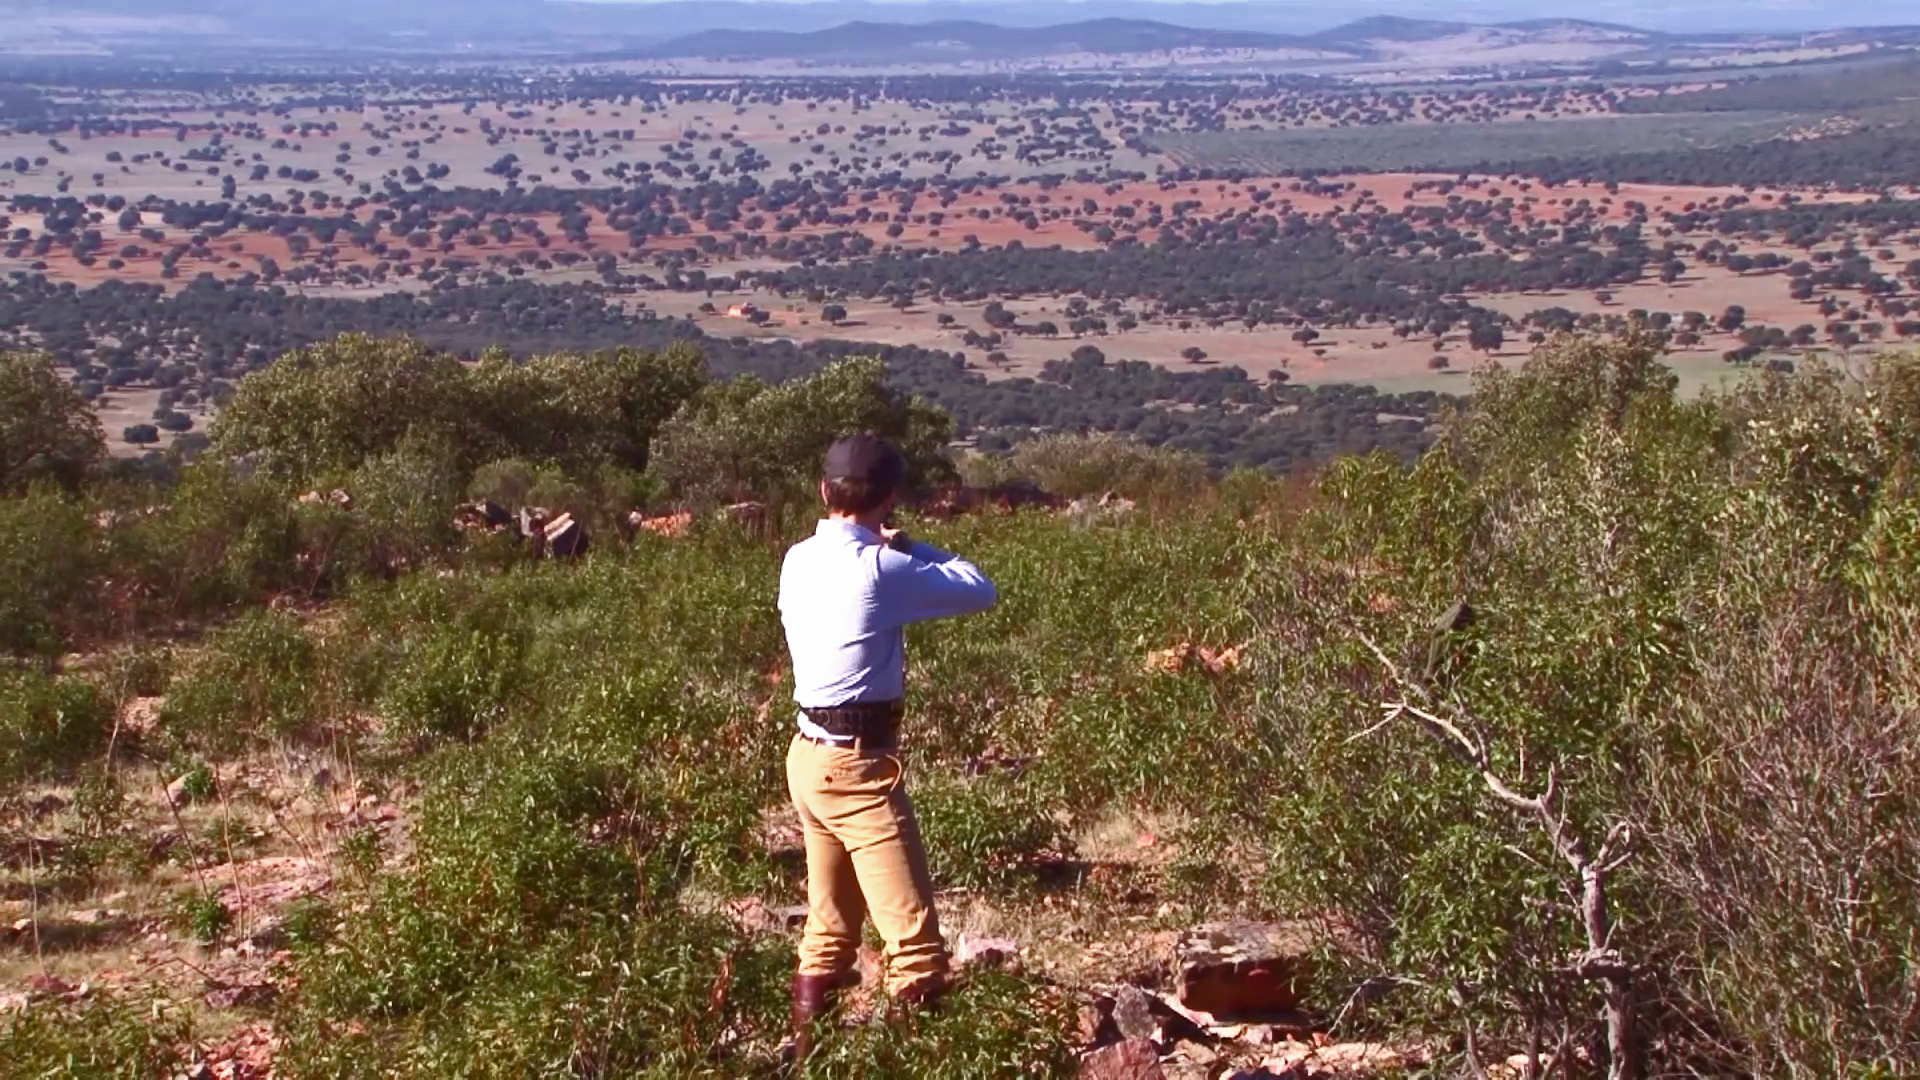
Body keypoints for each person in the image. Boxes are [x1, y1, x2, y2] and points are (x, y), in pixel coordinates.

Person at [778, 433, 998, 1060]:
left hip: (808, 758)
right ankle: (904, 1065)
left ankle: (805, 1060)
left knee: (829, 926)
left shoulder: (796, 559)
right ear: (890, 498)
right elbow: (978, 587)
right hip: (857, 765)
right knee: (916, 948)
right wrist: (905, 544)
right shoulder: (881, 565)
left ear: (824, 491)